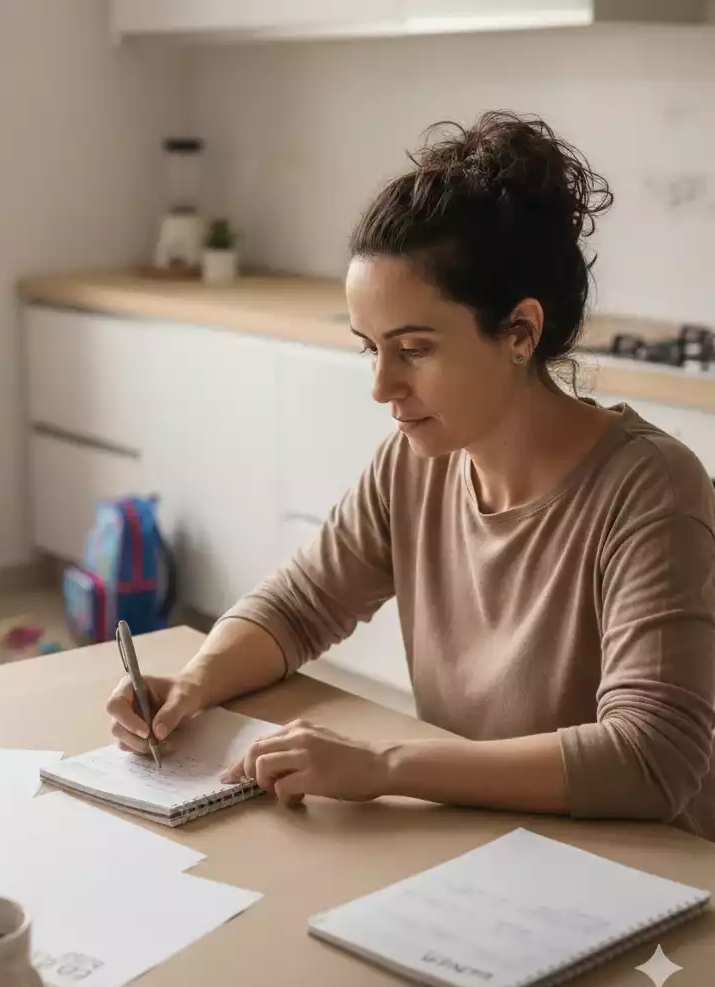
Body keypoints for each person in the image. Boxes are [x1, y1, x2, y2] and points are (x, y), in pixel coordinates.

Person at [106, 111, 715, 841]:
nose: (382, 386)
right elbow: (301, 604)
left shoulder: (653, 491)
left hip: (644, 878)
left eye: (415, 349)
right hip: (485, 840)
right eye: (371, 348)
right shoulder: (417, 461)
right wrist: (196, 684)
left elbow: (652, 760)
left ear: (519, 332)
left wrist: (387, 766)